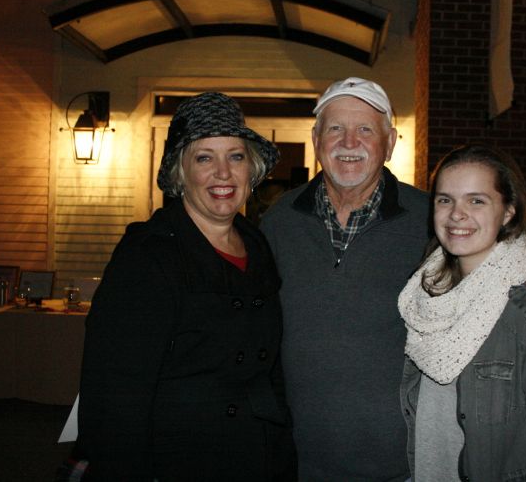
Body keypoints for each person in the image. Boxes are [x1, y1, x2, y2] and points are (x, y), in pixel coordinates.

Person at [78, 92, 296, 481]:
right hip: (176, 461)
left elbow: (269, 366)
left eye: (235, 156)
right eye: (204, 157)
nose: (223, 173)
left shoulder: (258, 246)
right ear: (181, 172)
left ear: (252, 168)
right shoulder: (148, 255)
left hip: (256, 454)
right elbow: (114, 394)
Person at [260, 77, 429, 481]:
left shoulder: (432, 219)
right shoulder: (279, 220)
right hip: (296, 461)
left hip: (400, 463)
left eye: (366, 130)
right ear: (317, 139)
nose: (349, 142)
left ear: (389, 143)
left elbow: (484, 283)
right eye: (335, 128)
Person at [399, 144, 526, 481]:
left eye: (477, 200)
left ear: (508, 212)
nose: (457, 214)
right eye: (445, 200)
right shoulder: (421, 301)